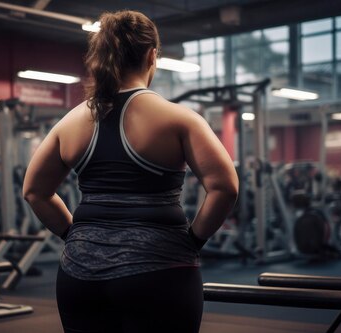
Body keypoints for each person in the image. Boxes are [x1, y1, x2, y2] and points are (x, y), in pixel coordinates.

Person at [23, 9, 238, 333]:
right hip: (159, 272)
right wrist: (194, 240)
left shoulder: (71, 121)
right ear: (152, 56)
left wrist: (74, 236)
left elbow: (34, 192)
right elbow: (224, 187)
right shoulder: (179, 118)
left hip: (80, 276)